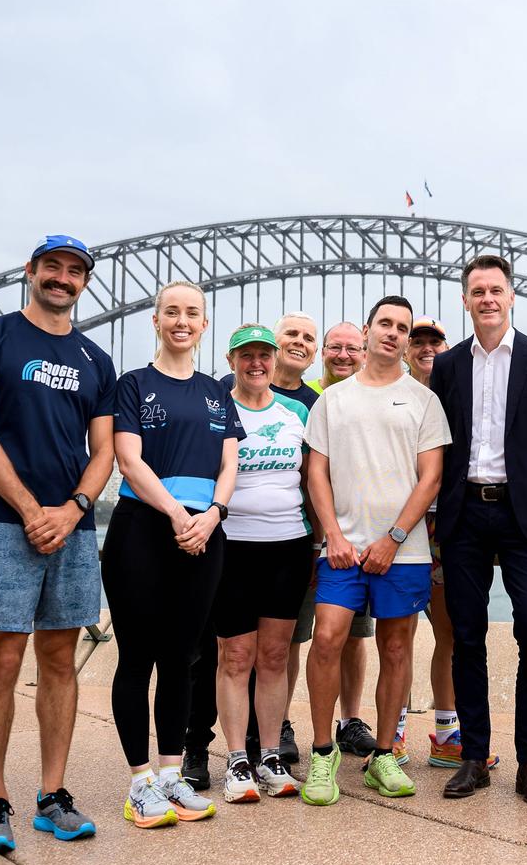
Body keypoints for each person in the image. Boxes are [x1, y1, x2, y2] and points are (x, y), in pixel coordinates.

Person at [0, 233, 116, 853]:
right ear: (31, 270)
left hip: (71, 527)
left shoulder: (95, 359)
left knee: (59, 659)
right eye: (52, 266)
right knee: (0, 661)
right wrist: (30, 510)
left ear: (83, 283)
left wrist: (72, 511)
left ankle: (53, 795)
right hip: (4, 522)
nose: (62, 278)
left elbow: (102, 452)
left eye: (75, 271)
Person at [432, 255, 527, 805]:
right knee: (467, 636)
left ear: (511, 297)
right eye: (477, 292)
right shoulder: (447, 366)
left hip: (523, 515)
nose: (487, 299)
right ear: (466, 301)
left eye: (496, 290)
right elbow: (440, 440)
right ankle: (474, 756)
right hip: (465, 512)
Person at [300, 296, 450, 804]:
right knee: (328, 639)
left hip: (402, 552)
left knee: (396, 648)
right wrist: (333, 536)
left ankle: (383, 754)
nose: (392, 333)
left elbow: (431, 477)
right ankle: (324, 753)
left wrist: (395, 538)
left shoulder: (424, 402)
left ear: (408, 339)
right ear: (367, 331)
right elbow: (315, 471)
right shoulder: (332, 399)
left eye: (402, 327)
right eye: (384, 323)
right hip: (342, 548)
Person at [102, 279, 237, 829]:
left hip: (204, 532)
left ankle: (169, 774)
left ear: (204, 325)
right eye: (171, 312)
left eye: (193, 313)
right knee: (137, 658)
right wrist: (179, 515)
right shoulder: (133, 385)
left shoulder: (216, 392)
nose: (182, 321)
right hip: (144, 528)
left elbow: (228, 465)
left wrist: (213, 515)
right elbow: (128, 460)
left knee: (183, 659)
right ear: (155, 321)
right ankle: (138, 783)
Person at [182, 311, 319, 788]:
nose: (257, 363)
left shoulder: (297, 412)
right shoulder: (216, 409)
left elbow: (312, 481)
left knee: (276, 656)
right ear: (231, 360)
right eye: (247, 355)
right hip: (232, 546)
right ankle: (237, 758)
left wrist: (321, 542)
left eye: (264, 354)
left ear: (273, 358)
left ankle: (272, 757)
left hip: (289, 546)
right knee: (235, 655)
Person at [405, 317, 491, 768]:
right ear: (405, 349)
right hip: (399, 526)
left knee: (450, 633)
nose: (426, 349)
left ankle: (446, 734)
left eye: (434, 341)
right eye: (416, 342)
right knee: (395, 635)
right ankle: (393, 732)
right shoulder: (393, 393)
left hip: (447, 524)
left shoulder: (462, 391)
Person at [297, 321, 379, 760]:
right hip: (306, 540)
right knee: (298, 636)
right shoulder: (309, 398)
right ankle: (292, 726)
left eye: (353, 348)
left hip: (358, 541)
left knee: (355, 635)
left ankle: (349, 720)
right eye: (335, 347)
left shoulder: (374, 395)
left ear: (365, 352)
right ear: (321, 353)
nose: (344, 355)